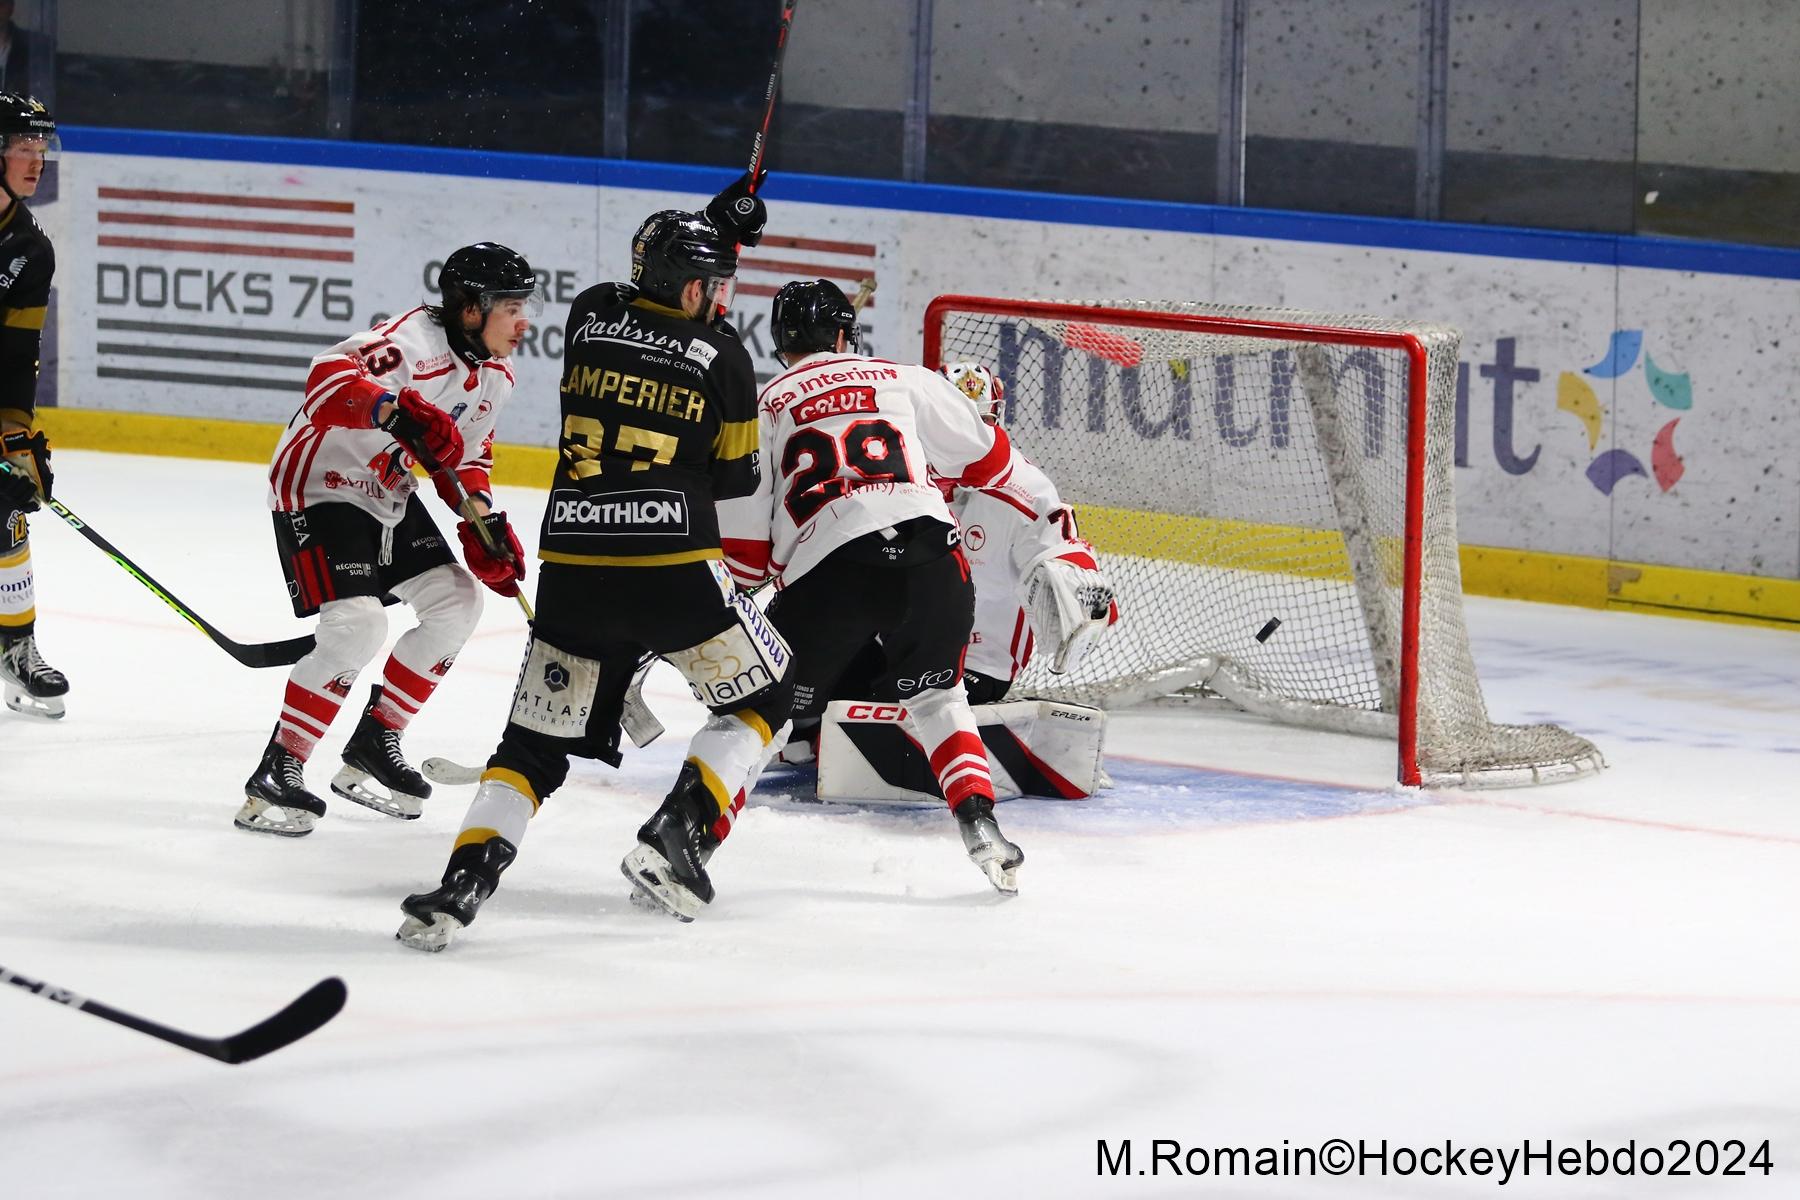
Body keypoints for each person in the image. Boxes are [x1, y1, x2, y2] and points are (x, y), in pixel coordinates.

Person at [397, 177, 794, 951]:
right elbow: (738, 478)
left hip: (574, 571)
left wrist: (712, 227)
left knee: (532, 747)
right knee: (766, 697)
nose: (719, 299)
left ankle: (461, 885)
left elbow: (646, 289)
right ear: (688, 286)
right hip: (676, 568)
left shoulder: (590, 314)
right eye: (711, 284)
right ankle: (678, 833)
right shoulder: (725, 353)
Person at [719, 278, 1026, 895]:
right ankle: (980, 824)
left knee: (762, 706)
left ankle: (684, 834)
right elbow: (992, 461)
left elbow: (748, 558)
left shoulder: (766, 404)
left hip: (832, 573)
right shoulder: (900, 376)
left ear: (780, 344)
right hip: (935, 561)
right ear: (843, 335)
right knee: (939, 699)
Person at [236, 243, 541, 837]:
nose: (524, 321)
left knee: (457, 601)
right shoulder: (411, 343)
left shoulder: (497, 375)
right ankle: (280, 768)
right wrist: (391, 410)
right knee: (357, 626)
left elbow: (468, 457)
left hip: (385, 491)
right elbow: (324, 381)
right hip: (320, 487)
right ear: (471, 309)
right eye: (511, 307)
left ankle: (377, 742)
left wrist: (478, 518)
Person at [0, 93, 63, 719]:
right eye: (23, 145)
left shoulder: (28, 248)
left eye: (41, 148)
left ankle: (15, 646)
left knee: (6, 504)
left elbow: (17, 356)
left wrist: (15, 437)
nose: (35, 159)